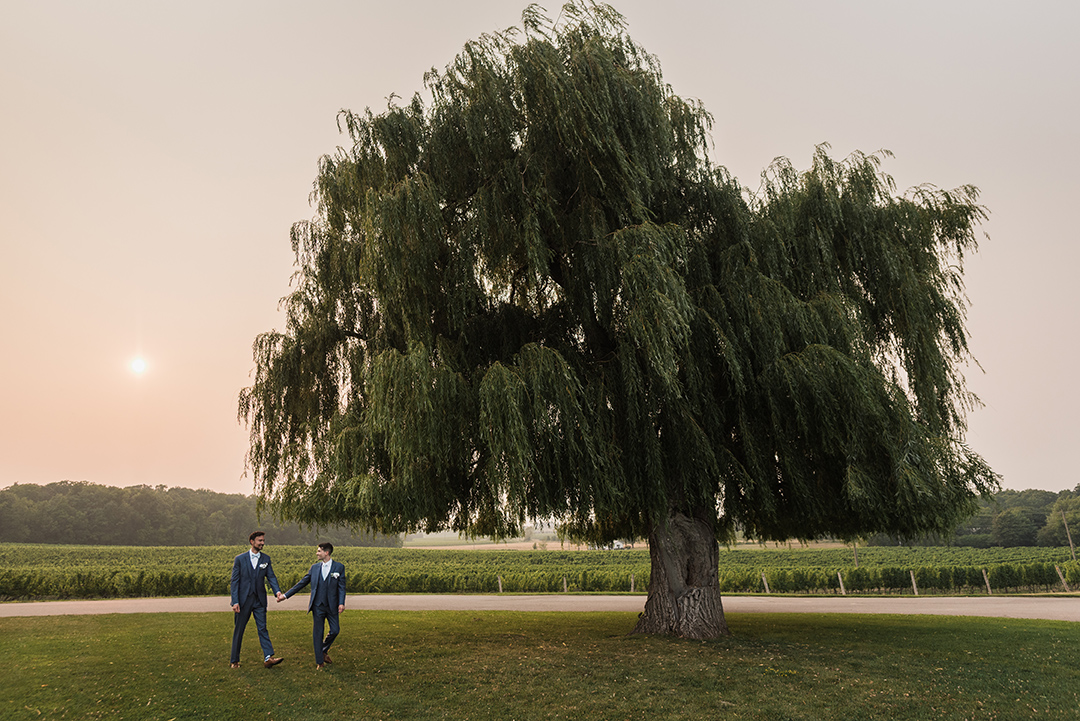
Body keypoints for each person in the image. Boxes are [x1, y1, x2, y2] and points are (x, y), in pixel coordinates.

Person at [279, 542, 346, 669]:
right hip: (317, 606)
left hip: (332, 606)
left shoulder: (339, 567)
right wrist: (285, 596)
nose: (317, 553)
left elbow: (342, 587)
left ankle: (323, 649)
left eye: (319, 551)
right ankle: (319, 662)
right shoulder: (314, 568)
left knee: (335, 630)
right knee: (318, 633)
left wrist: (342, 602)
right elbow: (301, 583)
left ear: (326, 552)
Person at [229, 531, 286, 668]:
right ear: (252, 541)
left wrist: (277, 591)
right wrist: (235, 601)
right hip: (243, 601)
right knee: (239, 629)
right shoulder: (240, 559)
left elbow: (271, 577)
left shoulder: (266, 559)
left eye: (263, 540)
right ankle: (234, 660)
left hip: (260, 600)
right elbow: (234, 582)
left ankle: (268, 657)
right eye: (260, 540)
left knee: (262, 628)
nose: (262, 543)